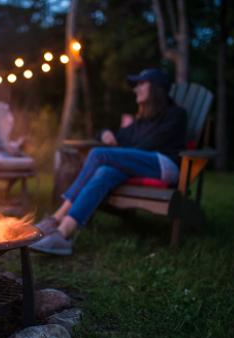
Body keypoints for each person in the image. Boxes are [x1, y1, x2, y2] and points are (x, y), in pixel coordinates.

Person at [30, 68, 187, 256]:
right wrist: (105, 133)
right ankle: (63, 235)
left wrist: (118, 151)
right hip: (137, 165)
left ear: (155, 88)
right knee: (104, 171)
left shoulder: (176, 114)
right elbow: (118, 138)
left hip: (164, 165)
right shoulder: (141, 122)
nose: (136, 89)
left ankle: (56, 218)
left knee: (99, 154)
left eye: (140, 84)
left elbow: (149, 145)